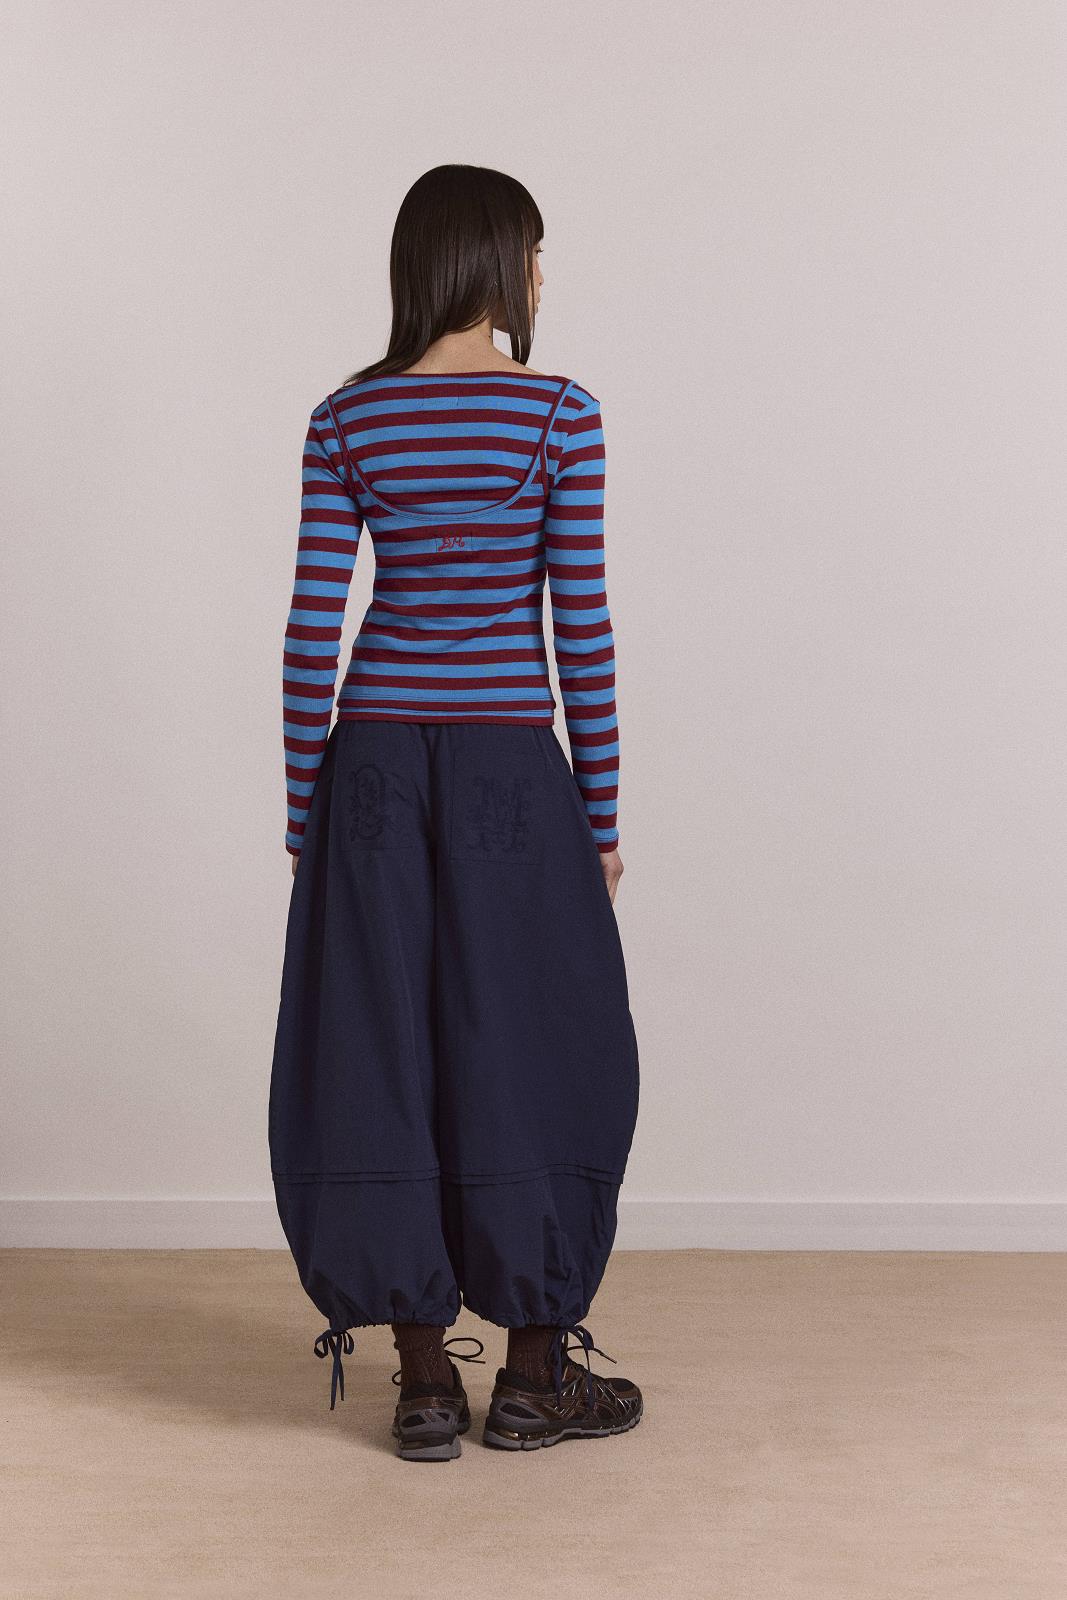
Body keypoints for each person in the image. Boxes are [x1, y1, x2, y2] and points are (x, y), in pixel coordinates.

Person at [268, 163, 642, 1460]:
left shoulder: (347, 418)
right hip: (508, 773)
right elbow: (580, 626)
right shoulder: (559, 414)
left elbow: (312, 633)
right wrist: (601, 814)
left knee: (380, 1049)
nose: (540, 276)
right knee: (541, 1042)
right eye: (534, 252)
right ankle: (532, 1378)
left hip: (370, 767)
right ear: (495, 262)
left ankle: (425, 1382)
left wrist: (306, 815)